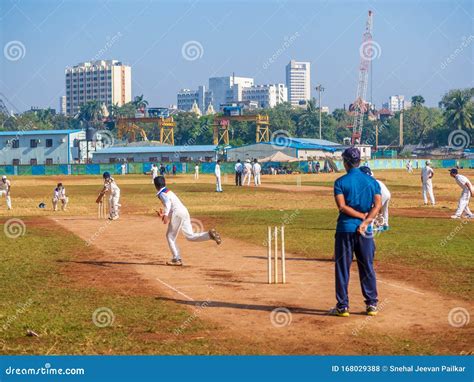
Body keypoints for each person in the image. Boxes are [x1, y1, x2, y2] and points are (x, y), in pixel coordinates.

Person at [331, 147, 381, 317]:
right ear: (359, 161)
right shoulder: (372, 182)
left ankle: (343, 306)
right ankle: (371, 304)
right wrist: (366, 221)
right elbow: (378, 206)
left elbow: (342, 206)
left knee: (342, 268)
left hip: (345, 229)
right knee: (367, 266)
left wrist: (360, 217)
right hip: (365, 231)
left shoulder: (340, 182)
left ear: (345, 162)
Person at [155, 176, 221, 266]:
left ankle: (176, 258)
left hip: (178, 213)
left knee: (170, 236)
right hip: (184, 211)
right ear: (164, 183)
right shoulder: (168, 191)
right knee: (190, 236)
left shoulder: (162, 193)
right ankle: (208, 235)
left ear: (155, 185)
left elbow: (168, 203)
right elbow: (174, 207)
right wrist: (164, 215)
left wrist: (166, 214)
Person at [360, 166, 391, 231]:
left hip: (382, 194)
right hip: (387, 194)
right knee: (385, 210)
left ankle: (370, 227)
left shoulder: (367, 181)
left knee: (373, 210)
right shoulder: (374, 179)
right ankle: (385, 225)